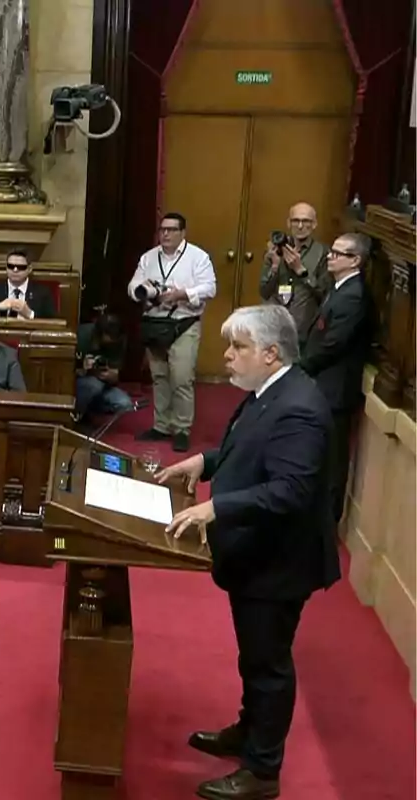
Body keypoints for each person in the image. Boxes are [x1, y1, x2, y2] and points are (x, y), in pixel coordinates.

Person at [156, 305, 338, 800]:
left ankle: (262, 770)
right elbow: (247, 450)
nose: (228, 356)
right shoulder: (268, 392)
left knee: (268, 662)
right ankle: (248, 730)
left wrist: (216, 509)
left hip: (279, 562)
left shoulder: (299, 407)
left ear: (270, 352)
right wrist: (204, 460)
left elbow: (290, 491)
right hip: (254, 553)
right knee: (253, 656)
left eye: (238, 347)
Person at [299, 231, 374, 524]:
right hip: (324, 385)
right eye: (331, 251)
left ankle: (326, 527)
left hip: (335, 389)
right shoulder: (340, 287)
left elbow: (333, 344)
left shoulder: (354, 296)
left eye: (338, 253)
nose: (330, 256)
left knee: (332, 463)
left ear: (355, 260)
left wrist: (300, 368)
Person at [128, 211, 216, 452]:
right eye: (162, 229)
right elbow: (133, 284)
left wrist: (181, 294)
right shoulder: (149, 257)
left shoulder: (197, 257)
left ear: (182, 233)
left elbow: (209, 288)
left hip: (184, 323)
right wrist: (144, 292)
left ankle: (181, 429)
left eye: (171, 230)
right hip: (155, 324)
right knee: (159, 377)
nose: (165, 234)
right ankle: (161, 425)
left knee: (181, 378)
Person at [258, 202, 330, 347]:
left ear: (314, 224)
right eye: (296, 221)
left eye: (306, 221)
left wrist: (302, 272)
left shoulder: (323, 253)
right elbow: (264, 292)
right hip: (274, 323)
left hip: (302, 327)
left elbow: (325, 294)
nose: (300, 226)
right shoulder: (275, 249)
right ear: (289, 223)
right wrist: (275, 266)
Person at [74, 312, 133, 422]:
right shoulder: (81, 335)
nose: (111, 343)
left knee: (125, 404)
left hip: (103, 385)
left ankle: (88, 409)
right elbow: (62, 371)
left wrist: (113, 376)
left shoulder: (118, 340)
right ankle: (75, 415)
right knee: (93, 385)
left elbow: (116, 372)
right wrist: (81, 367)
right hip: (78, 383)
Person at [0, 248, 57, 319]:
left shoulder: (43, 293)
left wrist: (30, 314)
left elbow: (53, 322)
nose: (15, 270)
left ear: (29, 269)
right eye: (11, 266)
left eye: (21, 267)